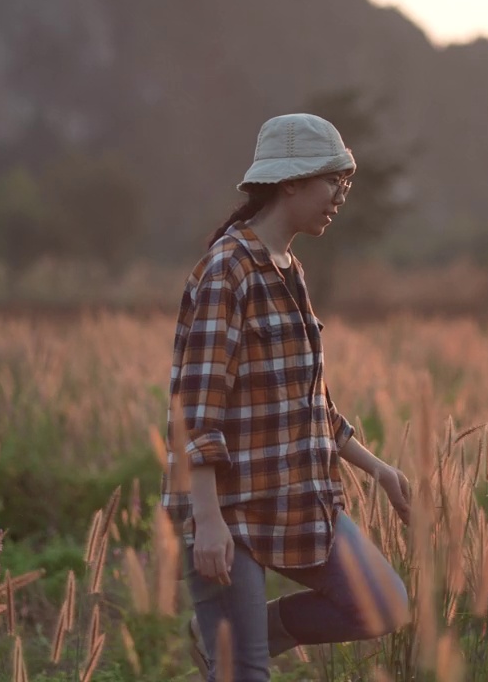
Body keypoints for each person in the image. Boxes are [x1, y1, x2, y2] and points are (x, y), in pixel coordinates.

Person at [159, 113, 412, 681]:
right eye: (332, 182)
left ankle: (227, 641)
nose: (339, 197)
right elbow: (194, 406)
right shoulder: (228, 268)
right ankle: (234, 653)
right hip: (229, 507)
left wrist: (379, 469)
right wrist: (207, 520)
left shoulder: (290, 269)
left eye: (344, 185)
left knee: (384, 603)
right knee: (247, 677)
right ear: (292, 182)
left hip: (296, 497)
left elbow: (309, 401)